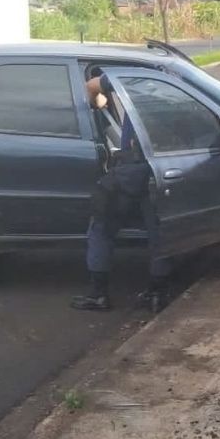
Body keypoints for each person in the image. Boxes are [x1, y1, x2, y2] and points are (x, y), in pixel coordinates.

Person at [70, 73, 173, 313]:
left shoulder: (128, 78)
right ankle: (157, 293)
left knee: (100, 227)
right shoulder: (172, 90)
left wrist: (98, 103)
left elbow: (90, 86)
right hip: (159, 171)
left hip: (129, 172)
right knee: (160, 233)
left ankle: (98, 294)